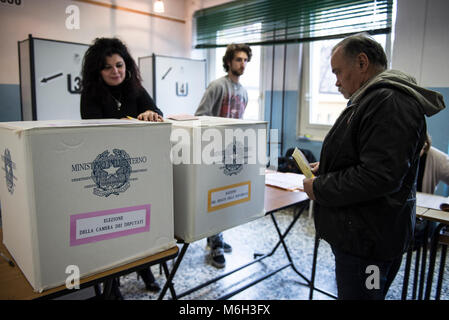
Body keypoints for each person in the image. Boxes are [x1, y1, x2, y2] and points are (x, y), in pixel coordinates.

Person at [303, 34, 445, 300]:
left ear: (362, 62)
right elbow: (370, 158)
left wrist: (320, 187)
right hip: (366, 236)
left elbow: (379, 176)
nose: (336, 82)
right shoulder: (375, 100)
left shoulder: (389, 102)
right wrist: (330, 166)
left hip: (368, 244)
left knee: (364, 296)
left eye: (338, 72)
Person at [80, 37, 162, 299]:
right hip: (108, 174)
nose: (116, 71)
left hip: (140, 170)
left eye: (120, 65)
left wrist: (150, 114)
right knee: (114, 233)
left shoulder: (135, 89)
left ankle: (145, 269)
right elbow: (96, 134)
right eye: (107, 67)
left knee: (141, 226)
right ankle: (112, 285)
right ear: (98, 71)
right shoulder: (90, 95)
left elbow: (158, 113)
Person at [194, 43, 252, 268]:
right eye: (238, 59)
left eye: (245, 60)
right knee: (214, 198)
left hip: (232, 153)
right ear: (229, 61)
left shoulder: (244, 92)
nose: (242, 64)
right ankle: (215, 242)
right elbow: (200, 116)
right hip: (213, 151)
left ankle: (216, 236)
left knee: (225, 198)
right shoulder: (217, 86)